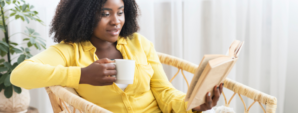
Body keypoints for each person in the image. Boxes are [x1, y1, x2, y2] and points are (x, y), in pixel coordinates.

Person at [11, 0, 223, 112]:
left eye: (120, 12)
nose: (116, 21)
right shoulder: (70, 50)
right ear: (83, 15)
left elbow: (164, 92)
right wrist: (82, 75)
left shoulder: (139, 43)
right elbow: (19, 76)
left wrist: (191, 105)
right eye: (105, 13)